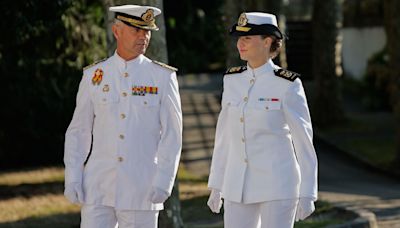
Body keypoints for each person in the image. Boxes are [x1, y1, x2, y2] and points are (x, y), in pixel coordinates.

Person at [63, 5, 182, 228]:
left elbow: (172, 135)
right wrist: (73, 176)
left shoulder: (162, 77)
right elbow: (79, 131)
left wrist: (164, 179)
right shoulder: (94, 76)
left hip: (141, 187)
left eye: (147, 31)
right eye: (136, 31)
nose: (143, 37)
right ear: (117, 31)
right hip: (98, 185)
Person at [207, 12, 318, 228]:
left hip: (277, 184)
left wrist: (308, 192)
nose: (240, 43)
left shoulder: (287, 84)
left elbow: (304, 141)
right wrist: (216, 183)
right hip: (237, 184)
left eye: (247, 38)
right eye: (239, 38)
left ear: (267, 41)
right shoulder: (232, 80)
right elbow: (225, 136)